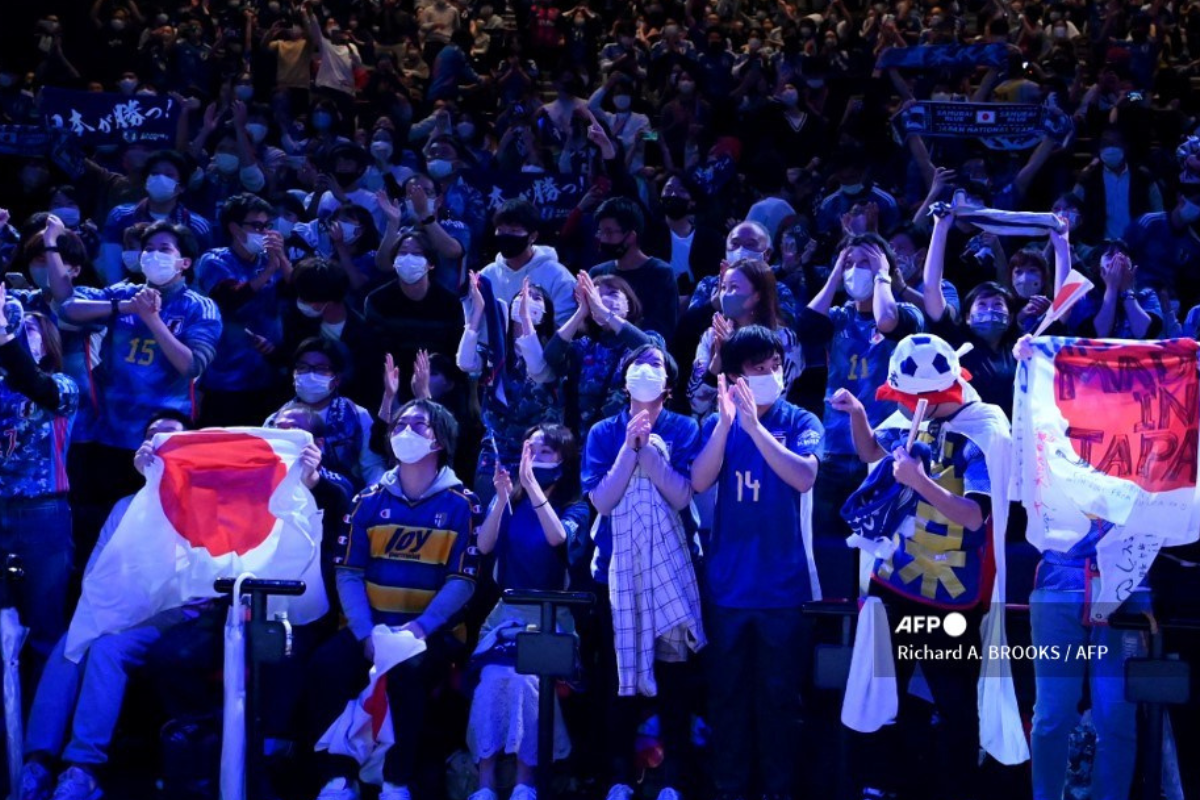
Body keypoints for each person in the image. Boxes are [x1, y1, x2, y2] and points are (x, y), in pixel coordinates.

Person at [833, 333, 1009, 800]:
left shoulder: (985, 427)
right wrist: (857, 415)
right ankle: (885, 785)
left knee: (953, 703)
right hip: (896, 583)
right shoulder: (917, 413)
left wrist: (920, 481)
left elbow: (975, 516)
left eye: (913, 399)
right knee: (885, 698)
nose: (907, 406)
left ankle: (957, 791)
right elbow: (873, 452)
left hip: (951, 595)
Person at [17, 411, 203, 800]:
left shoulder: (202, 505)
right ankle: (37, 762)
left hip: (173, 615)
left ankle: (83, 767)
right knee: (72, 644)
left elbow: (188, 581)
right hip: (118, 608)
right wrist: (106, 613)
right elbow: (99, 573)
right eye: (152, 436)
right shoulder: (124, 506)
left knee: (106, 650)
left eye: (171, 438)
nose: (160, 445)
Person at [308, 399, 481, 800]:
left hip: (429, 632)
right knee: (325, 667)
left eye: (418, 425)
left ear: (439, 439)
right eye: (400, 424)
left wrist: (417, 630)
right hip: (369, 626)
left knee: (408, 671)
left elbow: (463, 580)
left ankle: (396, 781)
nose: (405, 431)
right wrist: (366, 633)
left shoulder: (463, 503)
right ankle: (338, 777)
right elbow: (348, 571)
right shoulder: (367, 499)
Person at [690, 325, 823, 800]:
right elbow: (699, 482)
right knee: (726, 701)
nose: (770, 375)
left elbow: (804, 476)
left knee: (779, 701)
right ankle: (729, 790)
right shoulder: (716, 424)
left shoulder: (801, 419)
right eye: (757, 369)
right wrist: (727, 424)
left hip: (785, 590)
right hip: (727, 589)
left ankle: (779, 791)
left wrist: (756, 428)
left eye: (774, 367)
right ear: (735, 377)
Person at [582, 343, 703, 800]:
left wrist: (650, 451)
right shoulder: (601, 432)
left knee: (674, 683)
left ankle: (673, 780)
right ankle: (618, 778)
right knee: (618, 682)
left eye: (655, 366)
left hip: (671, 571)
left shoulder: (684, 428)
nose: (645, 371)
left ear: (667, 387)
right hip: (613, 574)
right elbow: (601, 501)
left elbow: (682, 495)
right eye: (639, 364)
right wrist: (629, 448)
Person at [59, 221, 221, 514]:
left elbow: (192, 366)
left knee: (158, 522)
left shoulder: (199, 307)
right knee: (100, 522)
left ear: (184, 262)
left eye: (164, 249)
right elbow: (68, 309)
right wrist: (125, 307)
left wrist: (152, 319)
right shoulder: (123, 293)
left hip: (164, 437)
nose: (153, 254)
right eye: (147, 249)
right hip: (108, 432)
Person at [467, 424, 589, 800]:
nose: (534, 460)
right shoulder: (510, 499)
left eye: (545, 453)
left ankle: (525, 780)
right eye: (530, 451)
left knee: (527, 681)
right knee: (492, 678)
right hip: (506, 615)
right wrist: (503, 497)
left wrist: (532, 488)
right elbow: (484, 546)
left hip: (553, 615)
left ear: (565, 461)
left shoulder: (576, 505)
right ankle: (485, 782)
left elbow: (558, 538)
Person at [800, 233, 923, 601]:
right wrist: (838, 271)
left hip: (885, 451)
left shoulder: (906, 314)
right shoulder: (837, 317)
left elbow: (886, 322)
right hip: (835, 448)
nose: (856, 270)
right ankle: (828, 627)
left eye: (864, 262)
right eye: (850, 262)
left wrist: (884, 275)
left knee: (880, 550)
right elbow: (806, 325)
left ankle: (877, 622)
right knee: (826, 544)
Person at [0, 288, 78, 680]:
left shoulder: (63, 386)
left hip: (42, 513)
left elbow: (34, 384)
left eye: (27, 329)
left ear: (47, 345)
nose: (16, 330)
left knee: (45, 627)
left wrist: (6, 338)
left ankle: (44, 731)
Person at [458, 273, 563, 502]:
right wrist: (477, 312)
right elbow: (466, 363)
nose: (527, 299)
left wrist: (525, 320)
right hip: (496, 450)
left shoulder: (553, 352)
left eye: (536, 297)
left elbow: (538, 370)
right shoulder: (498, 351)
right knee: (488, 519)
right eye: (522, 295)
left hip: (538, 452)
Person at [195, 193, 291, 427]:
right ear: (235, 229)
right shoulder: (215, 260)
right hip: (226, 377)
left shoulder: (270, 260)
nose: (264, 233)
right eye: (257, 226)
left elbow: (299, 290)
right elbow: (230, 298)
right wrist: (269, 270)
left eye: (268, 226)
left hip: (269, 373)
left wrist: (280, 257)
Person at [545, 272, 659, 435]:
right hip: (591, 441)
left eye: (613, 294)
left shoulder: (650, 337)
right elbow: (551, 356)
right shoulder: (584, 346)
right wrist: (581, 312)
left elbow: (649, 350)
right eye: (596, 298)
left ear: (629, 303)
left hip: (633, 439)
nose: (604, 301)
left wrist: (603, 312)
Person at [687, 258, 803, 417]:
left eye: (734, 288)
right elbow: (696, 403)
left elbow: (775, 396)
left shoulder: (784, 339)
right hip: (720, 430)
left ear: (757, 295)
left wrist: (735, 349)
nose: (726, 295)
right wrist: (716, 363)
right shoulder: (711, 336)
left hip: (765, 431)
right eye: (723, 288)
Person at [266, 338, 384, 491]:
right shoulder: (276, 421)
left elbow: (372, 468)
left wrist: (369, 500)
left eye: (321, 369)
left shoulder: (357, 416)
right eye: (303, 367)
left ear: (337, 379)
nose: (310, 374)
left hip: (343, 499)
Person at [97, 150, 213, 285]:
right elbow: (111, 267)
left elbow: (198, 275)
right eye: (154, 173)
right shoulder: (120, 216)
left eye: (169, 175)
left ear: (181, 187)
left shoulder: (197, 226)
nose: (160, 178)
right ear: (146, 181)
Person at [588, 197, 679, 340]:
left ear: (631, 236)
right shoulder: (597, 273)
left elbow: (663, 328)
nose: (603, 239)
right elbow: (589, 326)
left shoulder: (660, 273)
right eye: (601, 232)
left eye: (609, 232)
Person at [478, 199, 577, 327]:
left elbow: (566, 325)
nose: (506, 236)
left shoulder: (558, 276)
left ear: (533, 236)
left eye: (514, 231)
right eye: (501, 230)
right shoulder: (487, 275)